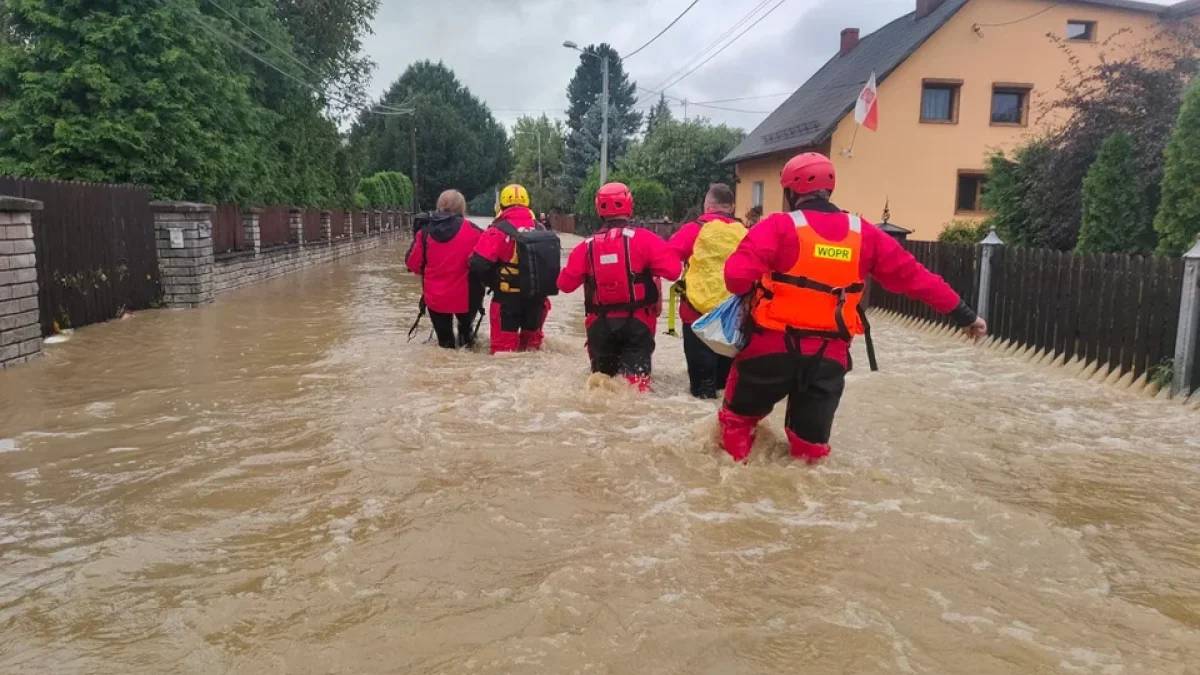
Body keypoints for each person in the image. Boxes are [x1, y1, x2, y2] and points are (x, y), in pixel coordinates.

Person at [719, 152, 988, 464]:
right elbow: (917, 279)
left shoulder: (778, 226)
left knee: (737, 424)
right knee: (809, 450)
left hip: (770, 349)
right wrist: (965, 316)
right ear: (829, 190)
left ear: (791, 192)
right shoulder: (865, 234)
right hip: (828, 358)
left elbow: (735, 279)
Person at [558, 182, 682, 391]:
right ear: (629, 206)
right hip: (638, 325)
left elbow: (564, 284)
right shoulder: (645, 240)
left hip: (600, 327)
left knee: (601, 386)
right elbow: (673, 270)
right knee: (635, 390)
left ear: (599, 210)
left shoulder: (585, 246)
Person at [667, 183, 746, 399]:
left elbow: (667, 264)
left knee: (701, 390)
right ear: (732, 207)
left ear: (707, 206)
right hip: (732, 318)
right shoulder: (746, 234)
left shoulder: (692, 230)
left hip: (695, 316)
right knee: (726, 389)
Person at [470, 184, 553, 354]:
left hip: (507, 301)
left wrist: (493, 280)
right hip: (537, 301)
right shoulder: (541, 229)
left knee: (503, 354)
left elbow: (477, 263)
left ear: (501, 206)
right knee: (532, 351)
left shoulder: (497, 231)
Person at [405, 190, 484, 349]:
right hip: (468, 298)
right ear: (462, 208)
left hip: (436, 298)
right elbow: (485, 262)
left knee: (445, 344)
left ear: (438, 206)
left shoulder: (425, 232)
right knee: (467, 341)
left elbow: (413, 264)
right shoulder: (476, 232)